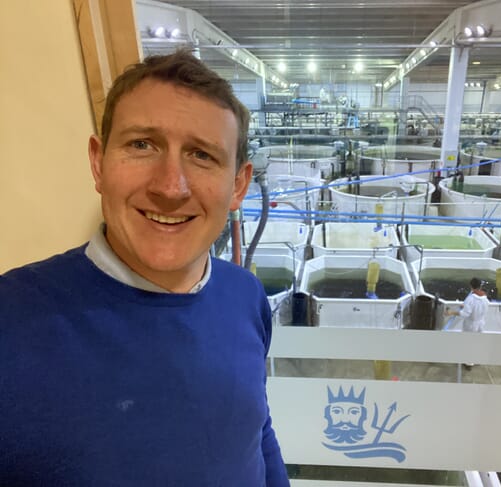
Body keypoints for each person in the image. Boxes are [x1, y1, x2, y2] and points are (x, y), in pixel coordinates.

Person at [0, 50, 290, 486]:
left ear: (239, 185)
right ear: (98, 163)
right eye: (142, 145)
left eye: (202, 155)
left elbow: (256, 428)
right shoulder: (11, 319)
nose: (171, 187)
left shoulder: (245, 296)